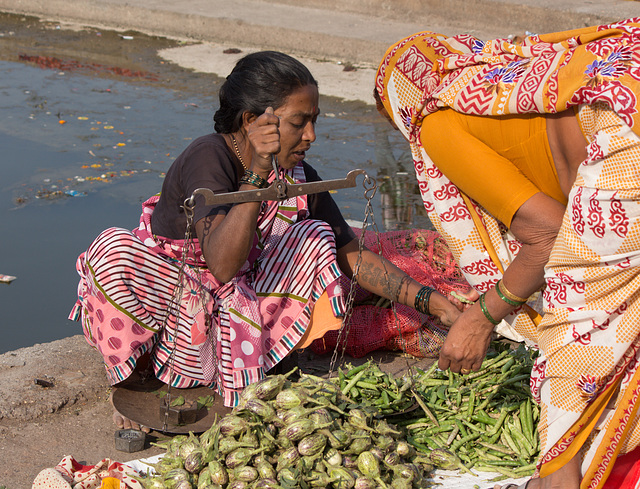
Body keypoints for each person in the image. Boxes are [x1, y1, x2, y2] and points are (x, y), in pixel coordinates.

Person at [69, 51, 464, 432]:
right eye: (299, 122)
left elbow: (352, 255)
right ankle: (132, 382)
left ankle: (241, 365)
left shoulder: (297, 173)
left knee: (314, 236)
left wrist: (432, 301)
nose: (311, 135)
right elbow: (221, 265)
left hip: (241, 306)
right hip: (178, 304)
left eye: (314, 121)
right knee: (112, 251)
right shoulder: (209, 157)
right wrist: (257, 175)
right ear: (252, 122)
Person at [375, 18, 640, 489]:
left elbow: (548, 235)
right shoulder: (514, 77)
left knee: (578, 336)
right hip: (629, 91)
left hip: (627, 146)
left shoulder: (435, 119)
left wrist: (480, 317)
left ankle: (556, 478)